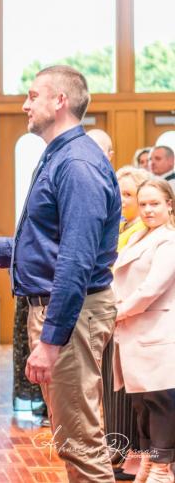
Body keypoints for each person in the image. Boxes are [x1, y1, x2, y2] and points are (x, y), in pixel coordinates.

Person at [0, 65, 121, 482]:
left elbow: (76, 259)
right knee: (71, 439)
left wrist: (51, 341)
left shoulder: (77, 163)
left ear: (60, 101)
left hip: (72, 313)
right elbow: (52, 243)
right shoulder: (60, 154)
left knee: (81, 443)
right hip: (64, 310)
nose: (25, 104)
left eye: (33, 95)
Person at [111, 178, 175, 483]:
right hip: (134, 332)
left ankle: (162, 469)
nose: (148, 210)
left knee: (160, 401)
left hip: (156, 332)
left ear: (169, 205)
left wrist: (117, 312)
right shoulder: (138, 236)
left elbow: (151, 288)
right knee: (142, 404)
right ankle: (148, 464)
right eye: (144, 204)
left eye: (155, 204)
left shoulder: (169, 240)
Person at [101, 166, 151, 479]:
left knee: (128, 392)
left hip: (129, 317)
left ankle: (129, 450)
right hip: (112, 314)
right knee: (112, 388)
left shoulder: (143, 231)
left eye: (128, 194)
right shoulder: (121, 227)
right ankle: (117, 446)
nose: (121, 199)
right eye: (118, 193)